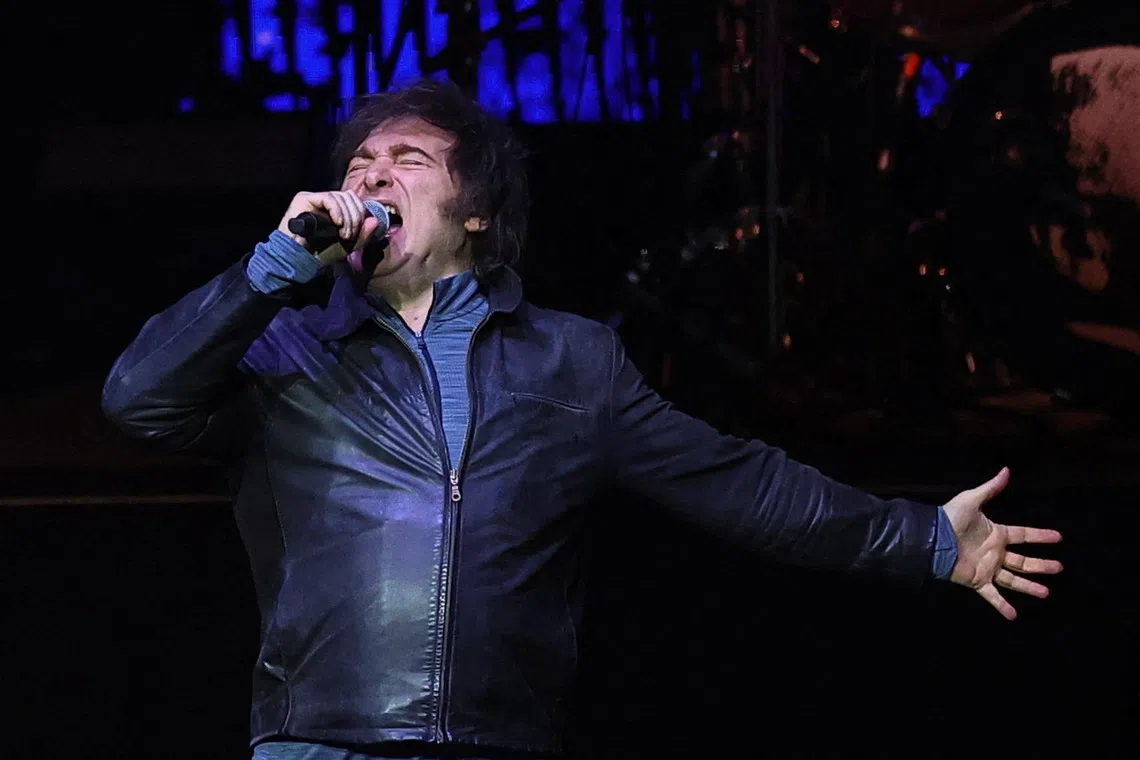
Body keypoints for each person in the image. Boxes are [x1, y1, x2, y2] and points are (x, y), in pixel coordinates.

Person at [102, 78, 1063, 760]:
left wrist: (927, 539)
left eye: (406, 160)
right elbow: (138, 400)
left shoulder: (573, 360)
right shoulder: (288, 346)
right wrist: (273, 269)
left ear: (475, 211)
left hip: (498, 742)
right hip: (320, 742)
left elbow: (737, 482)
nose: (371, 178)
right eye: (359, 162)